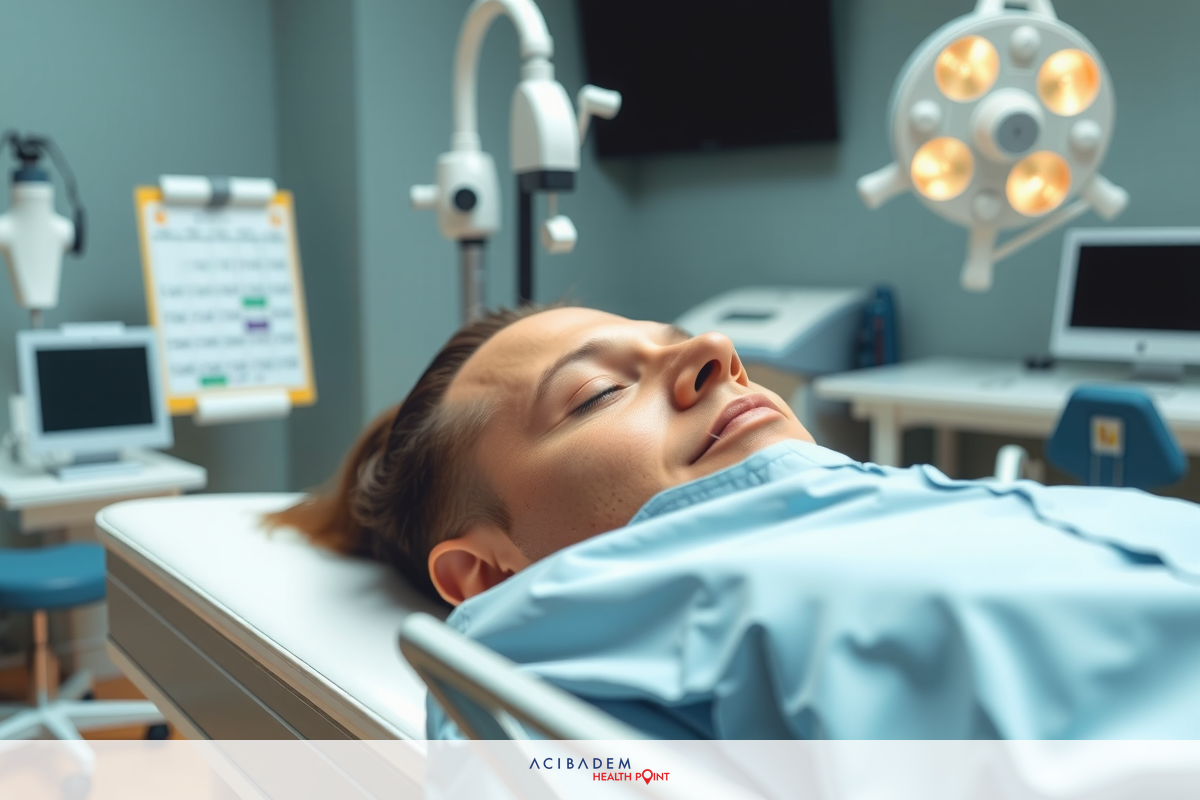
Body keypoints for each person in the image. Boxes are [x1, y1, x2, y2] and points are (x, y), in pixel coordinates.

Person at [272, 304, 1200, 739]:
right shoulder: (548, 652)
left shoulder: (922, 501)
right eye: (596, 394)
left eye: (676, 342)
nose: (718, 352)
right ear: (489, 572)